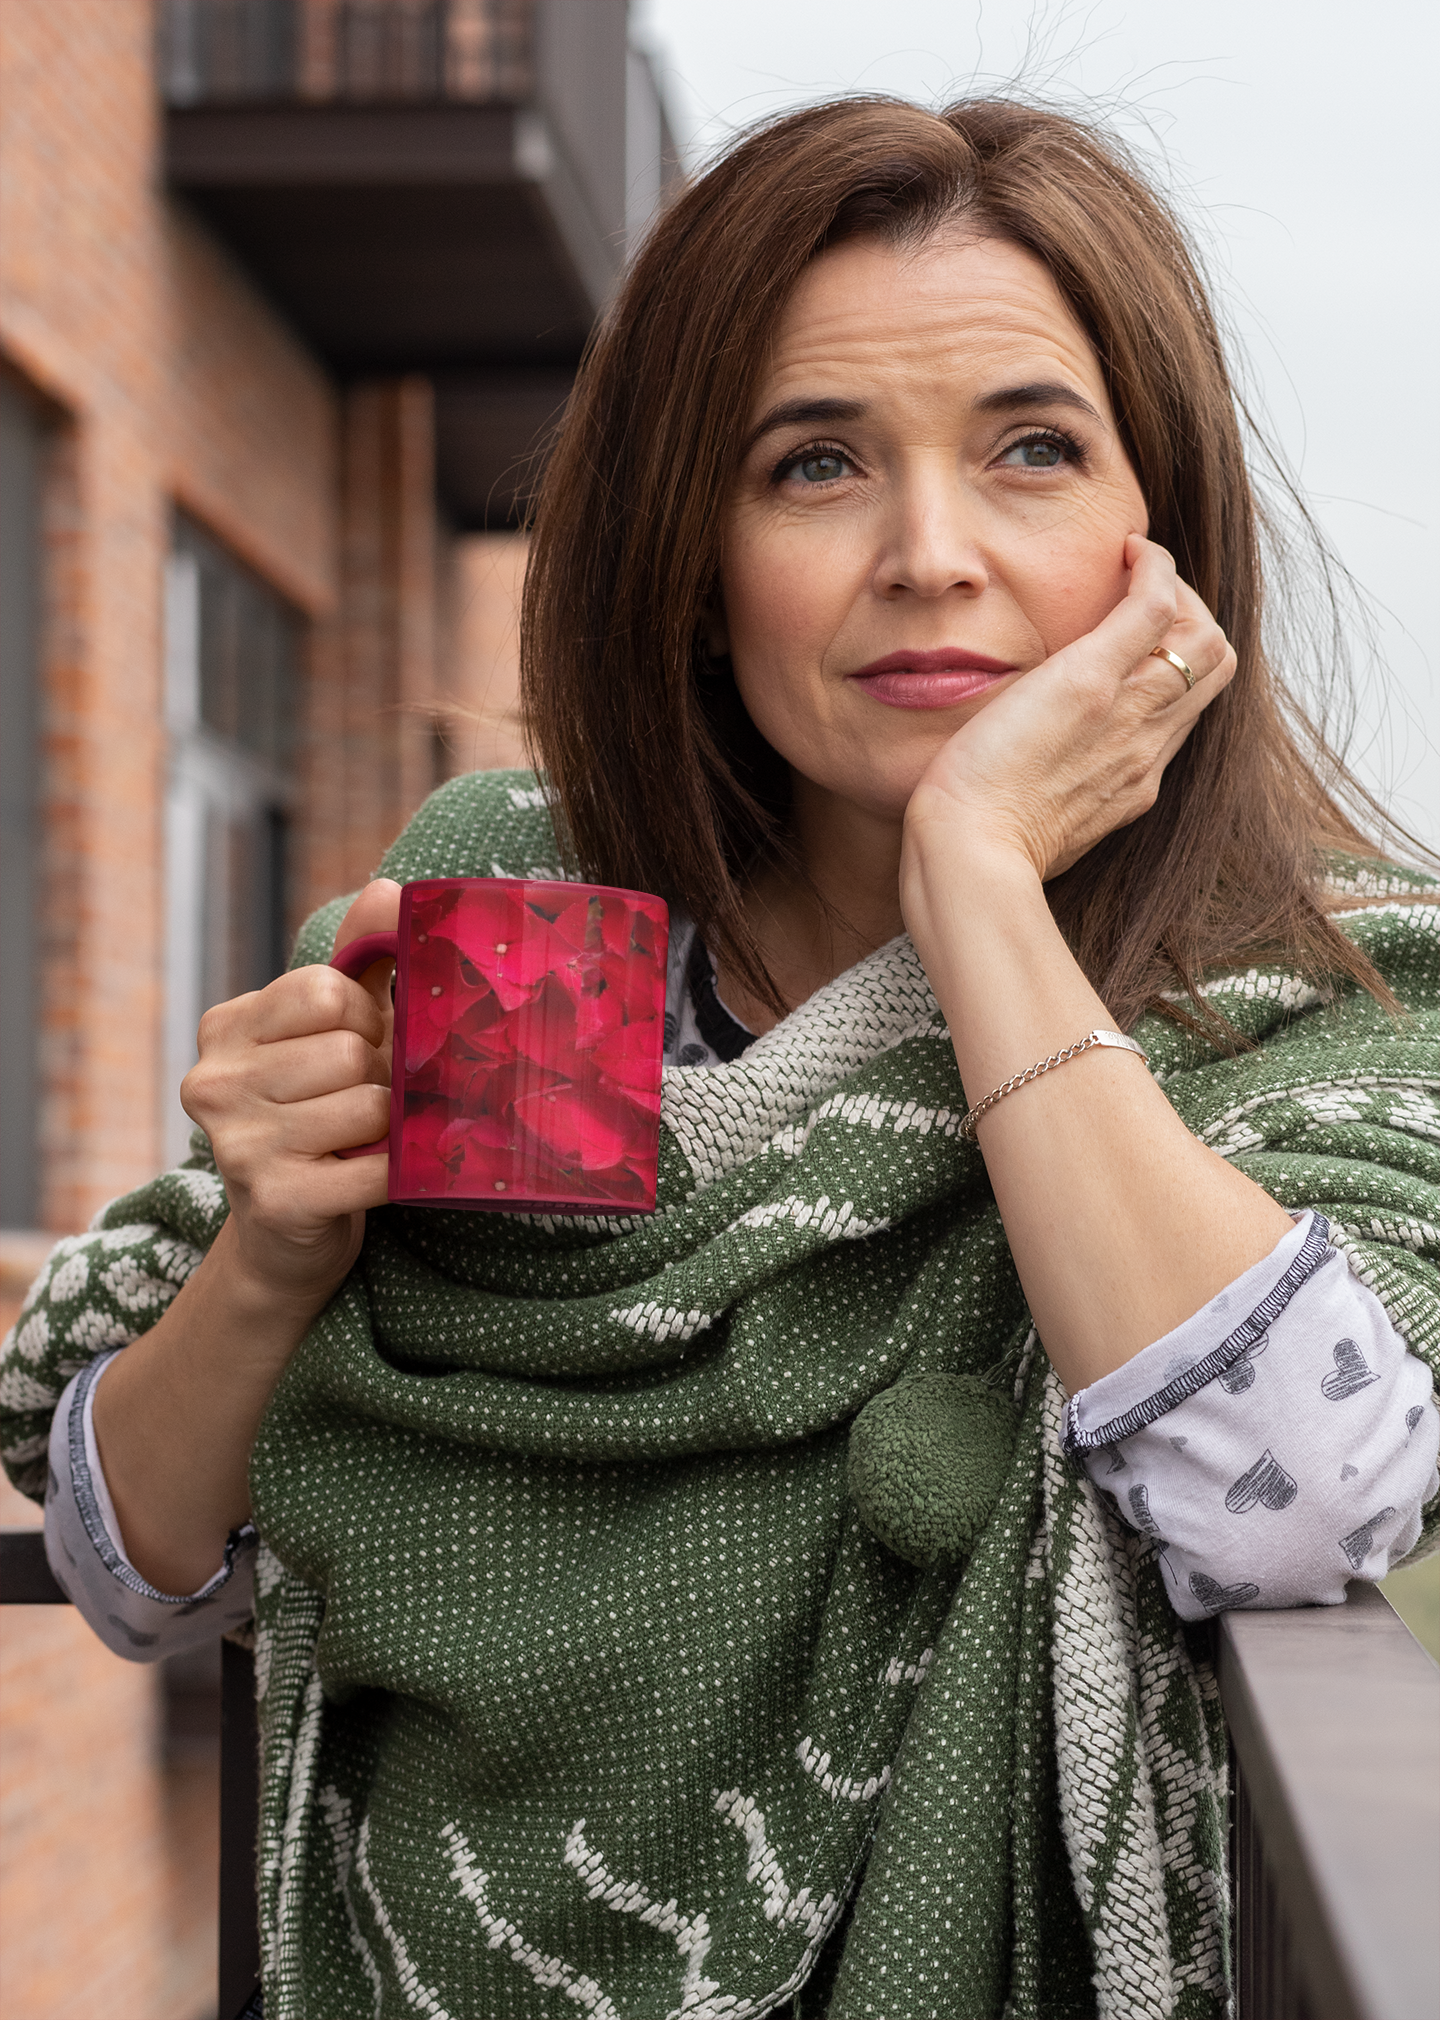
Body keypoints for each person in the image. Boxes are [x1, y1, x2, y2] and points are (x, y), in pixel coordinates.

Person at [4, 97, 1437, 2020]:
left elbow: (1302, 1497)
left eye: (1031, 450)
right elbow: (139, 1573)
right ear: (696, 553)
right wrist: (274, 1255)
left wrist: (981, 888)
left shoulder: (1313, 996)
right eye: (817, 464)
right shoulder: (521, 923)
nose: (931, 554)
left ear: (1155, 534)